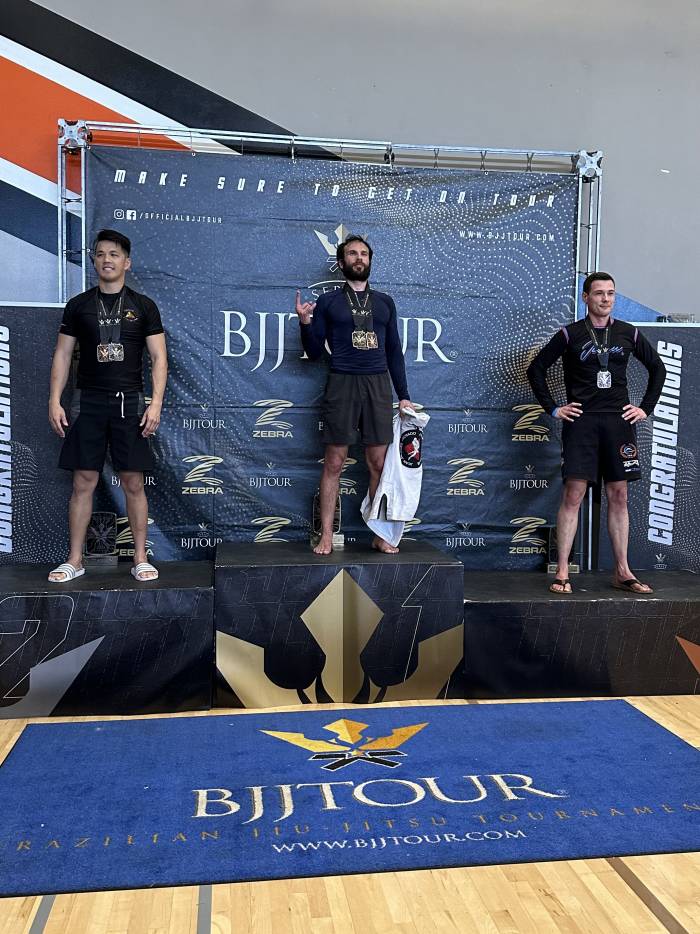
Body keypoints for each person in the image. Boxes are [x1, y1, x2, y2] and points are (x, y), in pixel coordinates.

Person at [527, 272, 666, 595]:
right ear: (585, 297)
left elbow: (658, 368)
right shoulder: (570, 334)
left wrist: (645, 408)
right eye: (599, 293)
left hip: (618, 424)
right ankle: (563, 571)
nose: (606, 299)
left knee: (619, 496)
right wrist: (553, 408)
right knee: (573, 495)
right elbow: (537, 369)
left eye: (611, 293)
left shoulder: (628, 333)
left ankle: (623, 571)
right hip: (582, 423)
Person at [48, 229, 167, 582]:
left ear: (126, 262)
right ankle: (75, 560)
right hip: (88, 401)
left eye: (114, 254)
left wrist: (156, 404)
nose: (106, 260)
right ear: (94, 261)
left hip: (129, 403)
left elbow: (159, 358)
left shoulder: (144, 306)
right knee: (83, 481)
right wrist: (54, 400)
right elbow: (63, 354)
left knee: (133, 481)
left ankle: (140, 558)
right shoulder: (79, 305)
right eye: (100, 254)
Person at [295, 235, 412, 555]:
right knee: (334, 462)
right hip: (342, 381)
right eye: (352, 253)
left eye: (364, 254)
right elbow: (314, 352)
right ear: (341, 262)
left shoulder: (385, 302)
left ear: (370, 260)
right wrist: (305, 323)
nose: (359, 258)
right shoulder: (329, 302)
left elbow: (394, 351)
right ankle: (326, 535)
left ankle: (379, 534)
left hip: (378, 384)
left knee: (378, 463)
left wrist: (403, 395)